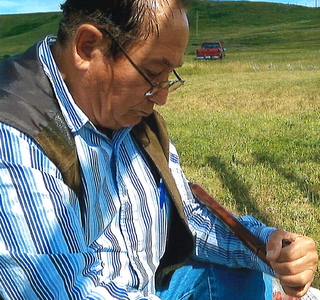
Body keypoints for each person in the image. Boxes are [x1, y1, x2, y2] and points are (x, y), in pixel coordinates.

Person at [0, 0, 317, 299]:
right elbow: (64, 292)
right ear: (87, 47)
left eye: (170, 75)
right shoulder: (17, 136)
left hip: (146, 284)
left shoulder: (128, 113)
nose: (161, 98)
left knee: (243, 274)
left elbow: (188, 215)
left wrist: (269, 247)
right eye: (152, 73)